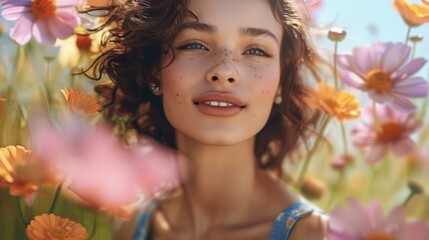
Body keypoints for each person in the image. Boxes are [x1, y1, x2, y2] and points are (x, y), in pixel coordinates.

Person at [88, 0, 329, 239]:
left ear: (282, 78)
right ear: (153, 68)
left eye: (256, 51)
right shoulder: (133, 229)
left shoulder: (313, 234)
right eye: (195, 45)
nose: (224, 71)